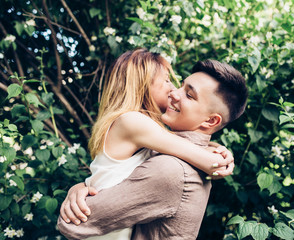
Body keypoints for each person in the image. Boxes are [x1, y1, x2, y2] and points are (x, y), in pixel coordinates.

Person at [57, 59, 248, 239]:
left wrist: (80, 197)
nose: (173, 92)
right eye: (179, 85)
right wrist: (81, 187)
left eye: (189, 95)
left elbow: (75, 223)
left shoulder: (170, 170)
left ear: (211, 120)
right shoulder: (166, 151)